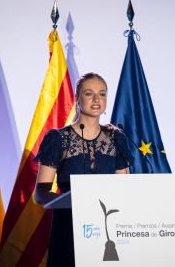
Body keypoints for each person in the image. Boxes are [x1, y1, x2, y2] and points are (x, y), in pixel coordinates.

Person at [33, 72, 133, 267]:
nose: (97, 100)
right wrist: (74, 202)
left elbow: (124, 191)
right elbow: (40, 195)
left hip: (107, 232)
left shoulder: (117, 139)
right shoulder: (58, 139)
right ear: (77, 98)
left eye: (102, 94)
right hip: (68, 231)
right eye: (89, 93)